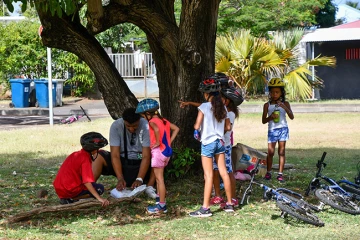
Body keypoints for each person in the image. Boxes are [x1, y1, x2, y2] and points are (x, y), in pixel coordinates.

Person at [189, 76, 234, 218]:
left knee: (208, 175)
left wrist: (197, 130)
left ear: (207, 94)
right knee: (224, 172)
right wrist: (219, 131)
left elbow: (197, 125)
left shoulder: (203, 107)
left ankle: (205, 208)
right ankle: (229, 204)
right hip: (220, 142)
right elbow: (228, 126)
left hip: (208, 143)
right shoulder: (224, 107)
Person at [91, 108, 157, 198]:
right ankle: (88, 189)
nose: (131, 129)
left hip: (140, 163)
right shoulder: (116, 126)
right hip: (123, 163)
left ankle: (149, 187)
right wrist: (120, 178)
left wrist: (139, 178)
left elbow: (146, 156)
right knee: (98, 155)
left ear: (139, 120)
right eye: (128, 126)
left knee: (158, 155)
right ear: (123, 121)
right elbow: (115, 155)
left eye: (135, 126)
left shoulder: (146, 126)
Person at [135, 98, 180, 214]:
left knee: (159, 180)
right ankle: (159, 198)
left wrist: (158, 142)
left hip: (158, 152)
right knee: (160, 178)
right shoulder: (164, 120)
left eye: (143, 115)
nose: (143, 118)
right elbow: (176, 129)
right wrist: (169, 141)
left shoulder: (152, 121)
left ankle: (161, 206)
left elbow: (155, 129)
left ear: (148, 113)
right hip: (167, 152)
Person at [53, 132, 110, 207]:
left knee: (93, 186)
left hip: (59, 188)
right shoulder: (85, 159)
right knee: (99, 188)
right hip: (69, 190)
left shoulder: (76, 154)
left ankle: (68, 197)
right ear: (94, 150)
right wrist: (99, 198)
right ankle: (71, 198)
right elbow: (87, 182)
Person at [262, 78, 294, 183]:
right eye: (272, 92)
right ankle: (269, 172)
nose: (274, 94)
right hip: (272, 130)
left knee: (282, 152)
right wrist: (270, 117)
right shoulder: (267, 105)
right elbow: (263, 120)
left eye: (277, 92)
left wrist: (284, 107)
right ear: (269, 93)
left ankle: (280, 174)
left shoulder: (286, 103)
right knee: (270, 152)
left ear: (281, 93)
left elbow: (291, 116)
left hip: (283, 129)